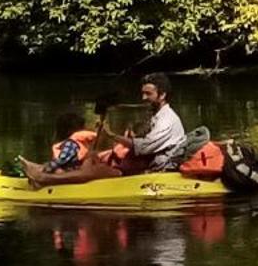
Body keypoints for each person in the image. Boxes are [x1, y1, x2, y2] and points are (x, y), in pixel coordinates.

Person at [19, 76, 186, 185]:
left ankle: (46, 178)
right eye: (142, 93)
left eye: (148, 94)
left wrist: (111, 135)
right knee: (93, 157)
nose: (143, 98)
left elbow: (144, 147)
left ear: (162, 95)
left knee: (97, 169)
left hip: (154, 171)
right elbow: (143, 143)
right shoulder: (157, 116)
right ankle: (44, 169)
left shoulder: (167, 119)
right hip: (140, 163)